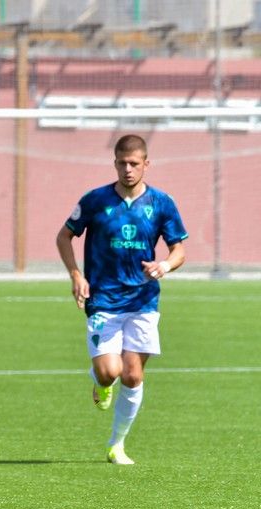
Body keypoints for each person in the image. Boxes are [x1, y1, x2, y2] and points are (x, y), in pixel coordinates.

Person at [55, 134, 187, 466]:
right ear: (114, 163)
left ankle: (117, 444)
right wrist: (75, 274)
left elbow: (179, 249)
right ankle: (99, 382)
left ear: (146, 164)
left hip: (143, 301)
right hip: (103, 300)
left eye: (134, 163)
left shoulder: (161, 203)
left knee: (133, 376)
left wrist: (165, 265)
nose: (127, 170)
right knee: (109, 372)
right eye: (122, 163)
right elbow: (64, 236)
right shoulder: (95, 200)